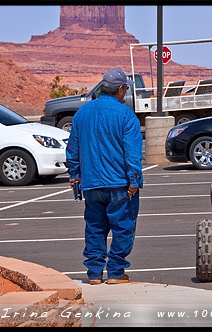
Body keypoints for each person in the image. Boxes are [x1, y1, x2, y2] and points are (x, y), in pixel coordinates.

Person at [66, 68, 143, 285]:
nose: (125, 91)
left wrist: (75, 174)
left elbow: (72, 148)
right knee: (123, 227)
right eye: (125, 88)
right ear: (120, 89)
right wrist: (134, 180)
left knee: (94, 228)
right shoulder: (126, 114)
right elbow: (132, 153)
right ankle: (116, 272)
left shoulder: (82, 113)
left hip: (91, 184)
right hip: (120, 183)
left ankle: (94, 273)